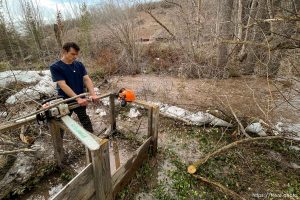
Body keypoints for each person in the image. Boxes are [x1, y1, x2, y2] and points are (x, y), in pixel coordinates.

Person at [49, 42, 97, 133]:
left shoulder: (79, 65)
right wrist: (77, 98)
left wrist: (93, 94)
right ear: (64, 52)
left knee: (84, 119)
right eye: (72, 54)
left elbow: (87, 79)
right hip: (65, 100)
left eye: (76, 54)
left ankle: (93, 140)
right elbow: (63, 85)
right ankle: (59, 145)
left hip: (80, 99)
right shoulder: (55, 67)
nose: (75, 56)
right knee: (62, 123)